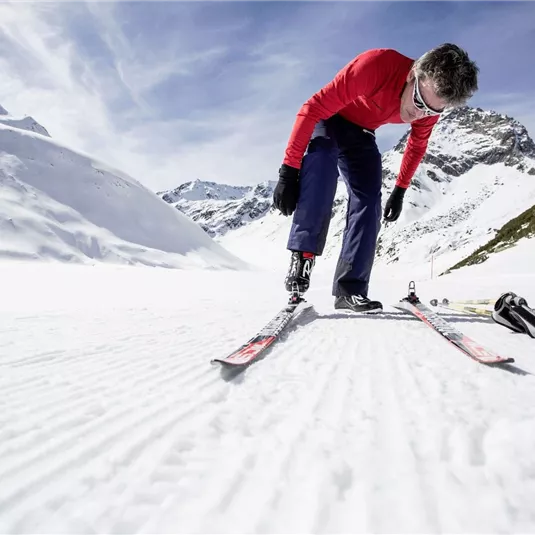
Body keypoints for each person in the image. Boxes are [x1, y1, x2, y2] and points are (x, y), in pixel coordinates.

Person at [273, 43, 479, 312]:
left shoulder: (429, 105)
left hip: (362, 134)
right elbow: (312, 108)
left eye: (431, 111)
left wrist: (401, 190)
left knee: (369, 201)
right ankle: (303, 258)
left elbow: (416, 146)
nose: (420, 114)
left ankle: (351, 289)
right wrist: (288, 171)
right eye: (418, 102)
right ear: (411, 75)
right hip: (331, 118)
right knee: (322, 158)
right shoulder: (374, 67)